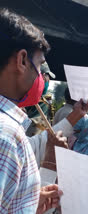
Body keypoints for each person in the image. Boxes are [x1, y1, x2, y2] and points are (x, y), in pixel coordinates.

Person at [0, 8, 63, 213]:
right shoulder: (7, 137)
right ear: (22, 60)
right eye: (39, 64)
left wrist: (26, 203)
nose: (42, 80)